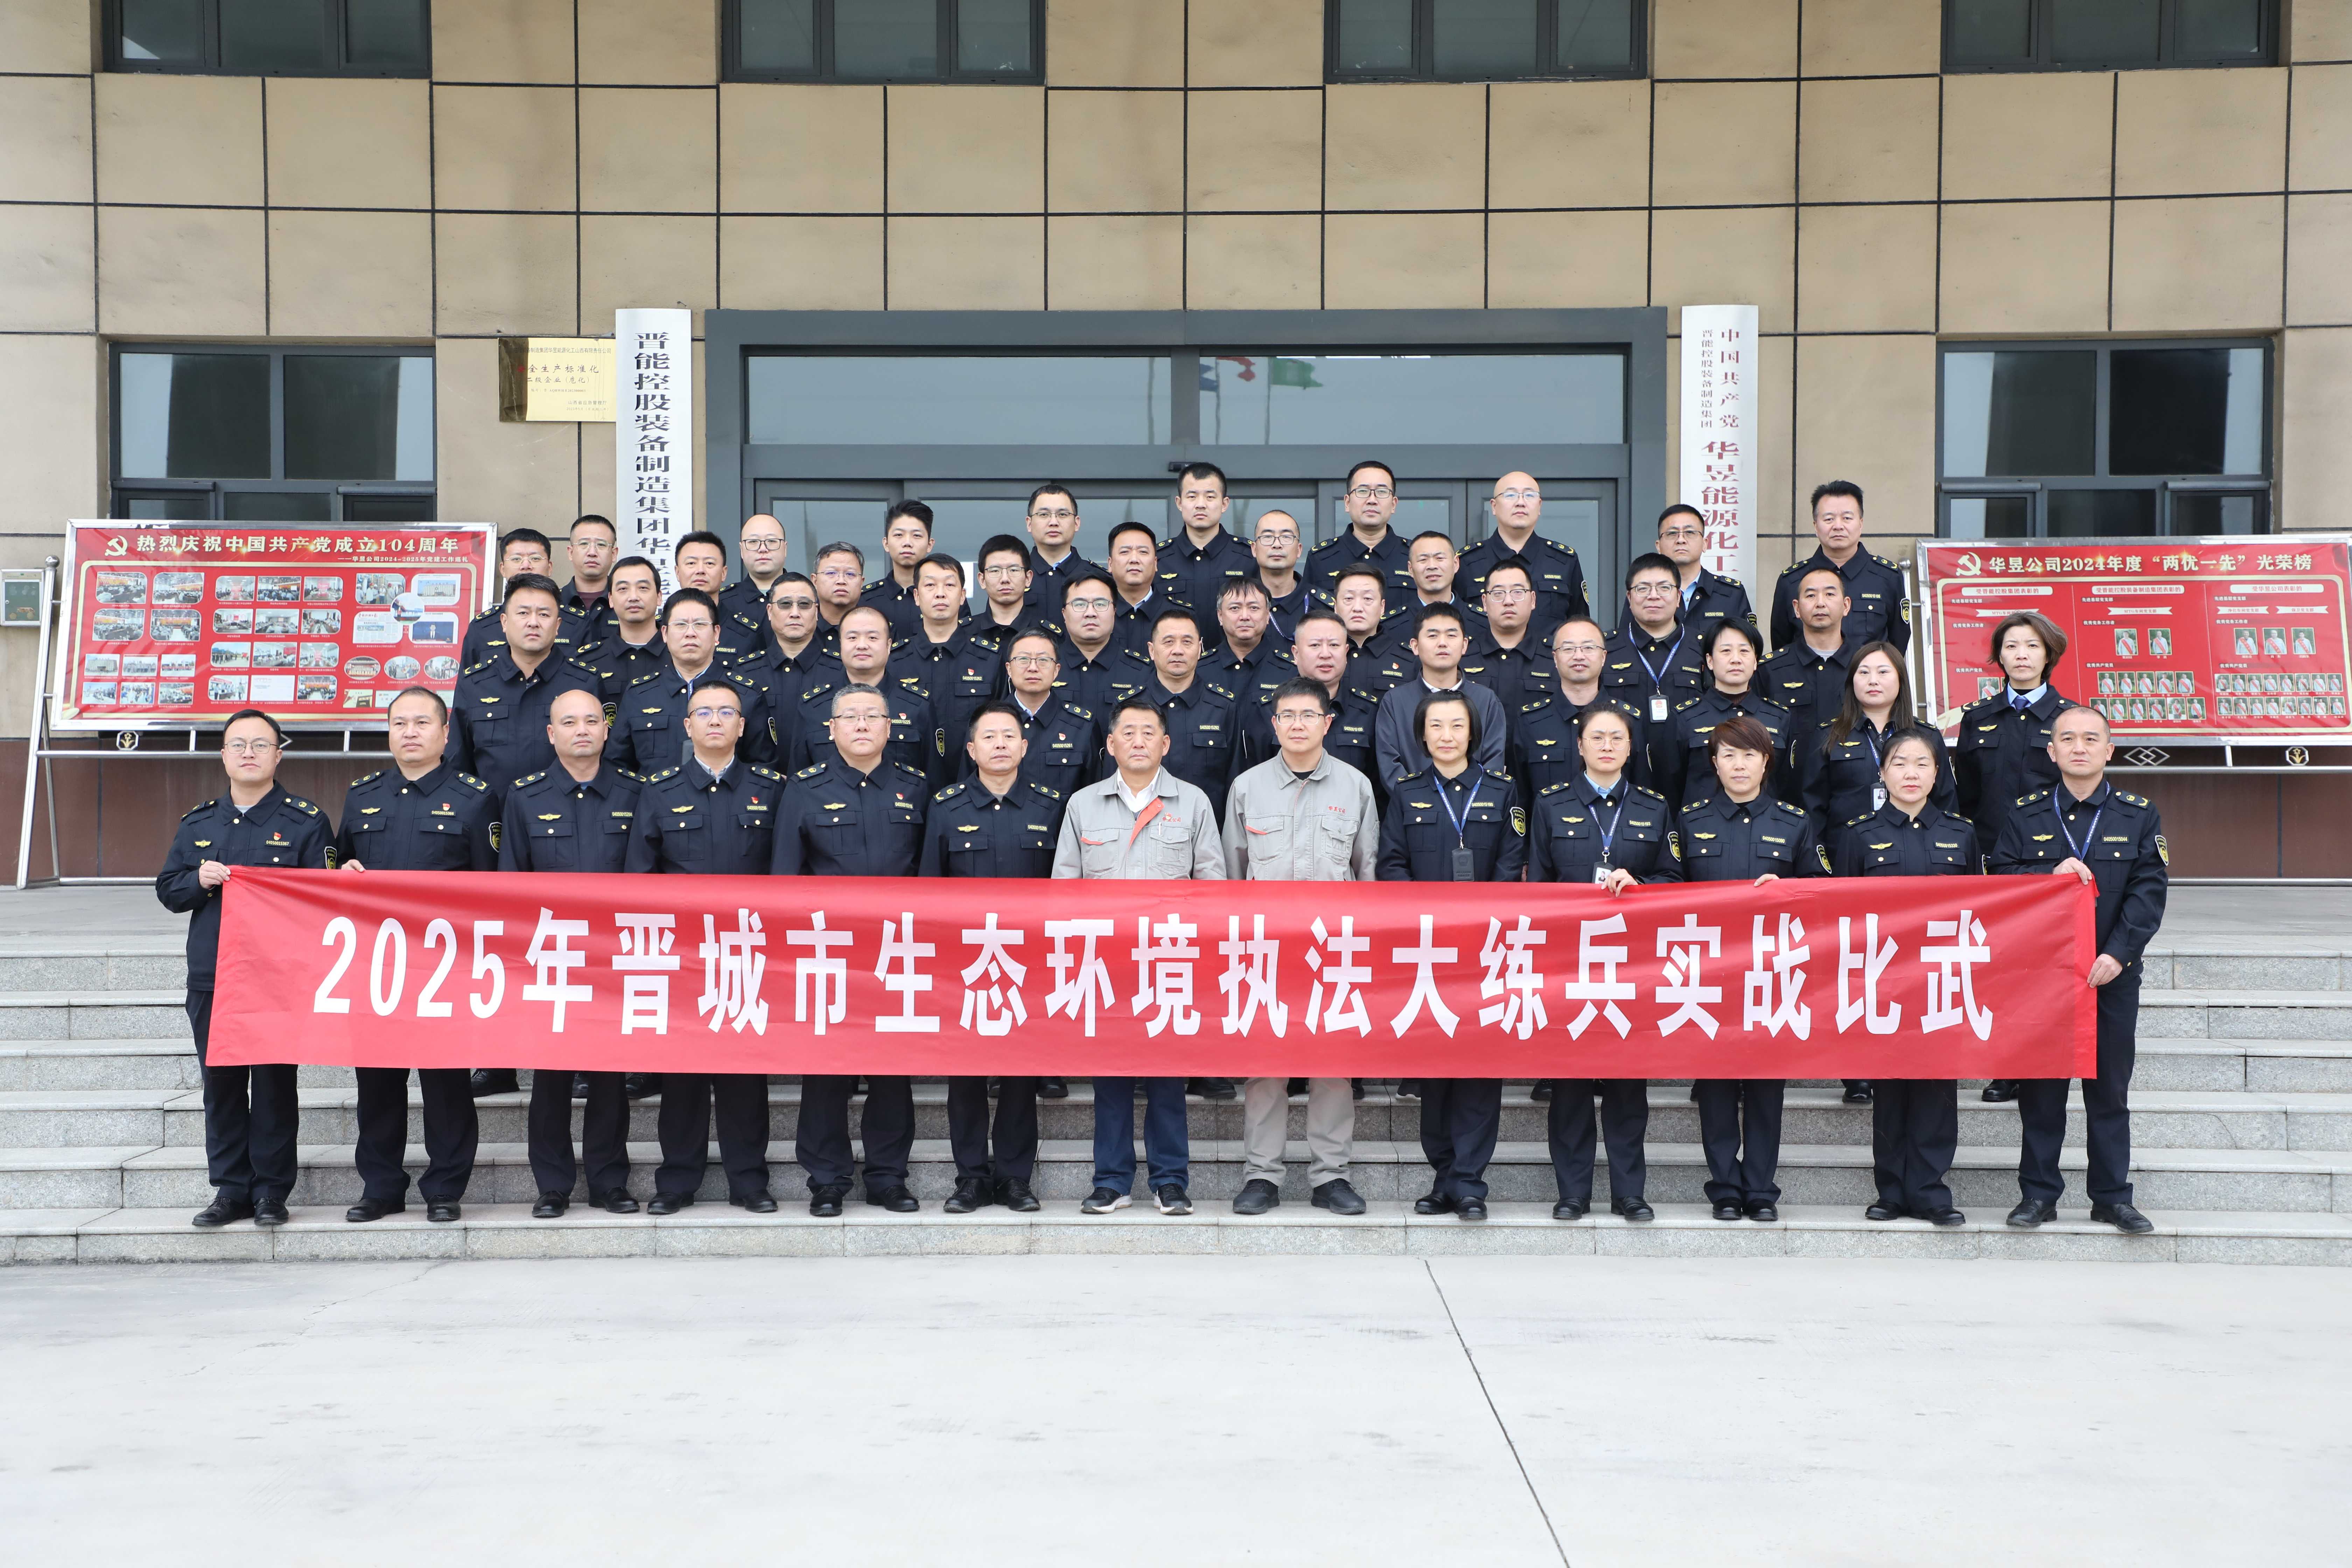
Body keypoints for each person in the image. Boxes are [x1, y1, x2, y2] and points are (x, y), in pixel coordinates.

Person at [1990, 705, 2168, 1236]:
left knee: (2109, 1091)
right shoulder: (2026, 814)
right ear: (2052, 751)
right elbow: (2000, 875)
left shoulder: (2138, 815)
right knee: (2042, 1093)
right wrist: (2048, 870)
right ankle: (2038, 1195)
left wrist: (2118, 954)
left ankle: (2112, 1198)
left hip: (2110, 975)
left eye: (2092, 739)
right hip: (2043, 979)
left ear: (2109, 750)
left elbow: (2149, 891)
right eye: (2067, 739)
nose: (2079, 747)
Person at [155, 709, 329, 1228]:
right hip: (213, 976)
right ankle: (230, 1191)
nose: (248, 753)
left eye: (260, 744)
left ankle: (272, 1192)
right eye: (238, 744)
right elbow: (169, 890)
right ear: (224, 755)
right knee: (222, 1087)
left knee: (275, 1086)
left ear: (279, 755)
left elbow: (324, 900)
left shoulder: (306, 822)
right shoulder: (199, 823)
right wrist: (198, 880)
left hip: (277, 977)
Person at [1052, 697, 1226, 1215]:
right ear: (1110, 744)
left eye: (1149, 732)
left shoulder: (1193, 802)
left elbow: (1212, 884)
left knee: (1168, 1079)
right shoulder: (1083, 804)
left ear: (1165, 744)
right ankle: (1111, 1181)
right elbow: (1065, 886)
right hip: (1106, 963)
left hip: (1170, 960)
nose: (1138, 741)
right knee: (1111, 1079)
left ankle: (1171, 1182)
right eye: (1127, 732)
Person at [333, 688, 496, 1223]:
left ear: (446, 733)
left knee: (446, 1084)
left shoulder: (476, 799)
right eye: (400, 722)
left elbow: (493, 887)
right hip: (377, 964)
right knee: (378, 1084)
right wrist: (343, 874)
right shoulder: (362, 796)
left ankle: (444, 1189)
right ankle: (381, 1188)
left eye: (422, 723)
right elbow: (340, 869)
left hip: (443, 966)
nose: (410, 732)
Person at [625, 676, 783, 1215]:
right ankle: (677, 1182)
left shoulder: (771, 788)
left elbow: (785, 873)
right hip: (684, 958)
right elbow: (641, 876)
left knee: (745, 1075)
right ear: (687, 726)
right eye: (705, 713)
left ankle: (749, 1181)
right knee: (683, 1075)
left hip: (747, 953)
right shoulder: (660, 790)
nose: (716, 720)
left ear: (743, 726)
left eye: (727, 712)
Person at [1222, 678, 1379, 1217]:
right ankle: (1261, 1175)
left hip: (1334, 949)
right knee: (1266, 1066)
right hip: (1265, 949)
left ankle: (1330, 1176)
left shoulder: (1356, 787)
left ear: (1327, 723)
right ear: (1274, 724)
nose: (1297, 725)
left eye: (1308, 715)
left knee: (1333, 1065)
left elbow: (1367, 871)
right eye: (1287, 716)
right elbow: (1232, 875)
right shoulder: (1247, 788)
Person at [774, 683, 931, 1216]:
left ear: (890, 727)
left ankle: (888, 1176)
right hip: (829, 952)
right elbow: (785, 876)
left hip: (895, 951)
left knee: (892, 1070)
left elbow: (932, 876)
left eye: (872, 716)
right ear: (832, 728)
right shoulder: (805, 788)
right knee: (826, 1070)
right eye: (850, 717)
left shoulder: (916, 786)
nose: (862, 725)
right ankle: (827, 1179)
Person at [1525, 704, 1681, 1222]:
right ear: (1581, 746)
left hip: (1631, 967)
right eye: (1598, 737)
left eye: (1617, 737)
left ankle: (1628, 1193)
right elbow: (1536, 888)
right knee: (1569, 1086)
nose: (1608, 745)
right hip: (1569, 964)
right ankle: (1573, 1192)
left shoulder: (1654, 808)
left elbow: (1674, 879)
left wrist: (1642, 885)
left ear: (1631, 748)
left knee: (1627, 1086)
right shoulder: (1550, 804)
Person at [1377, 690, 1526, 1220]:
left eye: (1457, 725)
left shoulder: (1502, 791)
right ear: (1422, 735)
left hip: (1485, 950)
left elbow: (1512, 862)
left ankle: (1469, 1183)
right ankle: (1443, 1177)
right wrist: (1426, 917)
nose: (1446, 735)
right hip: (1428, 952)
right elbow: (1392, 863)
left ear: (1473, 733)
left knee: (1479, 1069)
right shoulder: (1407, 792)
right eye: (1436, 726)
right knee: (1435, 1067)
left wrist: (1479, 918)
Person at [497, 687, 642, 1218]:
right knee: (551, 1077)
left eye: (591, 721)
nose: (582, 730)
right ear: (551, 733)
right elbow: (511, 881)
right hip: (550, 952)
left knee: (609, 1076)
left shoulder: (635, 792)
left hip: (613, 956)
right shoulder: (525, 796)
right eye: (569, 722)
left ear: (606, 730)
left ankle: (609, 1181)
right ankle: (553, 1184)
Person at [1680, 715, 1828, 1223]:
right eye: (1729, 755)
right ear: (1714, 763)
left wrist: (1790, 891)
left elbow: (1821, 893)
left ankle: (1761, 1190)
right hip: (1710, 975)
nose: (1739, 765)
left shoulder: (1794, 822)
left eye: (1749, 755)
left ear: (1767, 762)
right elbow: (1669, 890)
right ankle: (1725, 1188)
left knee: (1766, 1089)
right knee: (1716, 1088)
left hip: (1772, 976)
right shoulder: (1691, 821)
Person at [919, 702, 1064, 1211]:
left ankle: (1015, 1178)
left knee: (1022, 1074)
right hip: (967, 964)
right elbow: (930, 890)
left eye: (1009, 735)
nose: (1000, 744)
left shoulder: (1051, 806)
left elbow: (1066, 887)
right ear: (971, 748)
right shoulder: (947, 807)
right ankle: (971, 1178)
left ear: (1024, 746)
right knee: (966, 1075)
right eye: (989, 736)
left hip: (1030, 964)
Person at [1835, 728, 1981, 1228]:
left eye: (1922, 764)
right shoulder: (1859, 834)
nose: (1911, 773)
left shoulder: (1961, 834)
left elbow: (1979, 909)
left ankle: (1931, 1190)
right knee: (1891, 1088)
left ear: (1938, 773)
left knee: (1938, 1087)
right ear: (1882, 773)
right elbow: (1843, 913)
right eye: (1899, 763)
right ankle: (1892, 1191)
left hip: (1941, 979)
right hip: (1885, 982)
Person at [1955, 610, 2071, 1106]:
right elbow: (1965, 797)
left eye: (2031, 646)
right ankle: (2005, 1064)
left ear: (2049, 655)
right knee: (1998, 965)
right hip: (1991, 863)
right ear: (1998, 657)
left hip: (2051, 866)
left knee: (2039, 968)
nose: (2021, 655)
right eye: (2011, 646)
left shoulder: (2070, 719)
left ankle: (2036, 1059)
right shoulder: (1978, 718)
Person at [445, 573, 603, 812]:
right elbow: (458, 761)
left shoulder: (585, 682)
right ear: (504, 622)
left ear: (558, 626)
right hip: (491, 819)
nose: (533, 622)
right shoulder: (475, 683)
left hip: (568, 819)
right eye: (523, 613)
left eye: (544, 614)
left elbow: (602, 759)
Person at [1801, 640, 1956, 853]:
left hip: (1917, 854)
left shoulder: (1927, 736)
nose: (1873, 681)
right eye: (1864, 673)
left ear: (1900, 679)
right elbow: (1813, 809)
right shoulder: (1829, 736)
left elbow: (1946, 803)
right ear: (1852, 681)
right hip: (1847, 855)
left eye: (1883, 672)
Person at [608, 588, 778, 774]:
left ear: (716, 634)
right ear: (665, 634)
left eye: (700, 624)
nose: (690, 633)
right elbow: (617, 768)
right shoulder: (639, 695)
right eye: (681, 625)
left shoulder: (747, 694)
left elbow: (763, 771)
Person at [787, 605, 943, 785]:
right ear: (841, 644)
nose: (862, 645)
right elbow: (798, 782)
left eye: (873, 638)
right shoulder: (813, 706)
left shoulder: (917, 705)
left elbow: (934, 783)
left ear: (889, 645)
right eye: (852, 638)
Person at [1511, 617, 1655, 801]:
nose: (1579, 656)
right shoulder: (1530, 722)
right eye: (1568, 649)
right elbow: (1520, 798)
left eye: (1589, 648)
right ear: (1555, 658)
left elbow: (1642, 795)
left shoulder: (1628, 719)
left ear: (1603, 657)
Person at [1661, 621, 1793, 808]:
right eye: (1726, 651)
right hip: (1702, 825)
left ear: (1756, 661)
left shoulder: (1779, 717)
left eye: (1744, 651)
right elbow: (1670, 786)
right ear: (1710, 661)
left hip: (1766, 825)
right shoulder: (1684, 718)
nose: (1736, 659)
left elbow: (1787, 784)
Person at [1767, 481, 1909, 653]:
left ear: (1861, 523)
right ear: (1816, 526)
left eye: (1847, 518)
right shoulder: (1792, 581)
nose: (1838, 526)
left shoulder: (1888, 577)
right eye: (1829, 519)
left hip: (1866, 671)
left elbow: (1898, 643)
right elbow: (1782, 646)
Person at [1374, 604, 1507, 786]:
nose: (1443, 643)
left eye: (1451, 635)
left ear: (1464, 645)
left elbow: (1493, 765)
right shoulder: (1395, 702)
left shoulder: (1487, 700)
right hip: (1413, 803)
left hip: (1476, 803)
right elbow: (1390, 767)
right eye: (1433, 636)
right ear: (1415, 646)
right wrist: (1419, 800)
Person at [1247, 611, 1378, 790]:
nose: (1326, 654)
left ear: (1346, 652)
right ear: (1296, 654)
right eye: (1315, 645)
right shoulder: (1268, 709)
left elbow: (1376, 787)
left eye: (1334, 645)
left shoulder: (1368, 711)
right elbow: (1254, 778)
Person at [892, 552, 999, 764]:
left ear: (962, 596)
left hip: (974, 777)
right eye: (930, 585)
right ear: (916, 596)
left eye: (949, 585)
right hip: (910, 779)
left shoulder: (989, 660)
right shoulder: (894, 661)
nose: (940, 594)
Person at [1141, 608, 1241, 826]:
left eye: (1187, 642)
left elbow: (1235, 783)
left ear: (1200, 649)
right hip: (1142, 833)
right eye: (1168, 642)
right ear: (1152, 650)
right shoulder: (1131, 708)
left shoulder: (1223, 708)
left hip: (1207, 833)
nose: (1178, 651)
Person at [1454, 472, 1588, 631]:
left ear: (1539, 506)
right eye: (1511, 495)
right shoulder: (1467, 562)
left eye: (1529, 495)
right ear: (1494, 507)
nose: (1521, 503)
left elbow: (1581, 627)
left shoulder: (1564, 561)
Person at [1603, 553, 1707, 723]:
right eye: (1643, 589)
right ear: (1629, 598)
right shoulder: (1605, 648)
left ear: (1678, 597)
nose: (1653, 596)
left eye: (1664, 588)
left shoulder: (1704, 647)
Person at [462, 528, 588, 665]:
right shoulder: (481, 627)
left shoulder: (578, 624)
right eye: (516, 559)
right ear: (503, 569)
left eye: (535, 559)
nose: (526, 566)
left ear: (550, 568)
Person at [1759, 565, 1856, 738]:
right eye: (1811, 596)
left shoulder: (1866, 664)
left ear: (1846, 606)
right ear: (1797, 609)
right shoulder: (1770, 670)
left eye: (1830, 594)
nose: (1820, 603)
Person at [1460, 555, 1555, 726]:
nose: (1508, 601)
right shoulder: (1463, 655)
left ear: (1533, 600)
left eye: (1518, 592)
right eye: (1498, 594)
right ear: (1484, 602)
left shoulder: (1555, 657)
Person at [1306, 460, 1413, 600]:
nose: (1372, 500)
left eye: (1382, 492)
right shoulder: (1321, 559)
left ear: (1394, 505)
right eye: (1363, 491)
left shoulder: (1414, 556)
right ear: (1347, 503)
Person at [1053, 570, 1153, 716]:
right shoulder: (1046, 666)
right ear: (1064, 613)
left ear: (1114, 611)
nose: (1090, 613)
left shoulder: (1142, 672)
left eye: (1100, 604)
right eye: (1080, 604)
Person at [1159, 461, 1253, 614]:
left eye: (1210, 497)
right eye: (1192, 497)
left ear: (1224, 504)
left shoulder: (1249, 557)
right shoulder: (1159, 560)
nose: (1201, 505)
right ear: (1179, 503)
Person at [581, 555, 672, 702]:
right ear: (611, 599)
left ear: (659, 597)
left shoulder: (680, 654)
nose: (633, 597)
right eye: (623, 589)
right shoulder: (589, 661)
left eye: (643, 588)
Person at [1655, 503, 1752, 638]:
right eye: (1672, 534)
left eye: (1690, 533)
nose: (1681, 540)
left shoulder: (1732, 594)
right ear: (1659, 547)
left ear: (1705, 544)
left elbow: (1748, 645)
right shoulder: (1645, 593)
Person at [1332, 564, 1416, 701]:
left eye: (1368, 599)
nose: (1358, 608)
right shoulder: (1321, 656)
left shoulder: (1409, 661)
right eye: (1349, 599)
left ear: (1382, 607)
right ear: (1336, 606)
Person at [1203, 578, 1292, 705]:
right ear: (1220, 616)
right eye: (1235, 608)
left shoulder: (1291, 671)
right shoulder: (1200, 669)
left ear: (1268, 615)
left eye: (1254, 608)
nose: (1245, 617)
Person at [673, 530, 762, 656]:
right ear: (677, 572)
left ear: (724, 573)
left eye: (709, 563)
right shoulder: (659, 628)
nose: (700, 570)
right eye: (691, 563)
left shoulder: (747, 634)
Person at [862, 500, 942, 638]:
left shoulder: (945, 597)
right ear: (886, 544)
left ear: (930, 545)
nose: (907, 543)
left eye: (917, 536)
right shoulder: (866, 600)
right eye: (899, 535)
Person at [1022, 482, 1100, 615]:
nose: (1054, 522)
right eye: (1044, 515)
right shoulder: (1015, 576)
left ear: (1077, 523)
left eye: (1063, 515)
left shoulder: (1098, 577)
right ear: (1029, 524)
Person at [1402, 530, 1489, 642]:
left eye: (1440, 558)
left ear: (1456, 564)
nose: (1432, 566)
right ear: (1410, 569)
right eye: (1423, 560)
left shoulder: (1484, 624)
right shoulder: (1392, 626)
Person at [966, 533, 1048, 650]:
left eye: (1014, 570)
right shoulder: (962, 633)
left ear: (1028, 578)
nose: (1005, 579)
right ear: (982, 580)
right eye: (995, 571)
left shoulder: (1046, 635)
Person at [716, 512, 791, 630]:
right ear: (742, 550)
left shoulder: (807, 600)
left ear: (785, 548)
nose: (763, 549)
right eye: (753, 542)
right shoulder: (722, 603)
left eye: (772, 541)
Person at [1250, 509, 1317, 638]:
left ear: (1299, 550)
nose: (1277, 545)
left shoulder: (1321, 605)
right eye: (1268, 537)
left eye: (1286, 537)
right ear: (1254, 549)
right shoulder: (1240, 606)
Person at [561, 513, 621, 644]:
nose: (592, 552)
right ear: (571, 553)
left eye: (601, 545)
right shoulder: (553, 603)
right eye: (584, 544)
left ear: (614, 554)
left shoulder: (625, 603)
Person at [1105, 519, 1167, 642]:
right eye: (1125, 552)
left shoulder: (1178, 614)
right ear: (1110, 564)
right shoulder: (1096, 614)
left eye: (1143, 552)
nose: (1134, 559)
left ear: (1155, 563)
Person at [810, 541, 868, 638]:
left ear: (861, 583)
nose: (841, 581)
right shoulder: (801, 625)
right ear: (815, 581)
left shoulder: (876, 627)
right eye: (831, 573)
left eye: (850, 574)